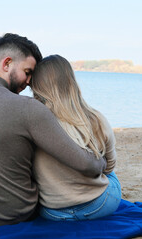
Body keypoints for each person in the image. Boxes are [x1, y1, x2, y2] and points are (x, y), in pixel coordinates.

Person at [0, 34, 106, 228]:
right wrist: (102, 163)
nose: (30, 82)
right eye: (27, 71)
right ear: (7, 63)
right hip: (17, 216)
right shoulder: (29, 108)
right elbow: (85, 164)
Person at [30, 55, 121, 221]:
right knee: (111, 174)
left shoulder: (32, 122)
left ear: (37, 86)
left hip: (53, 212)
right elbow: (109, 167)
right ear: (71, 82)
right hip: (99, 206)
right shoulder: (96, 119)